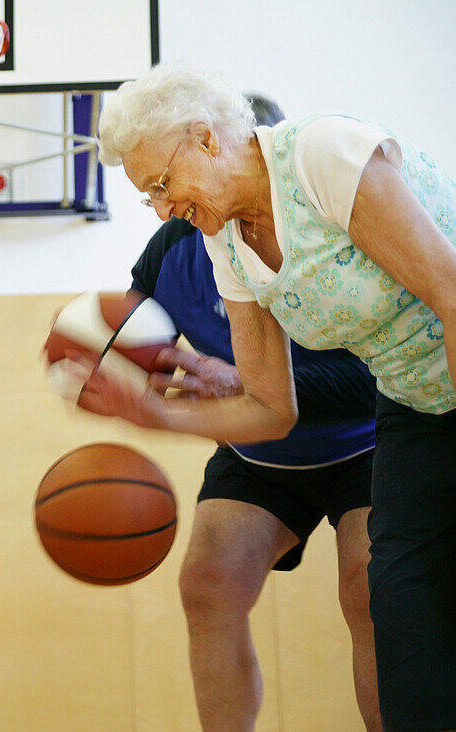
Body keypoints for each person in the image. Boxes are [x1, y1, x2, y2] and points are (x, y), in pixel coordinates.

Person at [77, 62, 456, 732]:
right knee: (401, 606)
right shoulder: (223, 237)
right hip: (410, 403)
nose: (162, 209)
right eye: (148, 198)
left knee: (387, 593)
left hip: (402, 411)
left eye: (162, 185)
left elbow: (450, 294)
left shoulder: (321, 154)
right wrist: (150, 410)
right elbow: (269, 409)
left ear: (206, 139)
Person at [127, 93, 379, 731]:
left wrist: (241, 380)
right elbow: (129, 335)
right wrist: (91, 357)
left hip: (370, 443)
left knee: (370, 588)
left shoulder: (324, 219)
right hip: (259, 452)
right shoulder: (175, 248)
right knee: (207, 585)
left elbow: (370, 380)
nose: (165, 201)